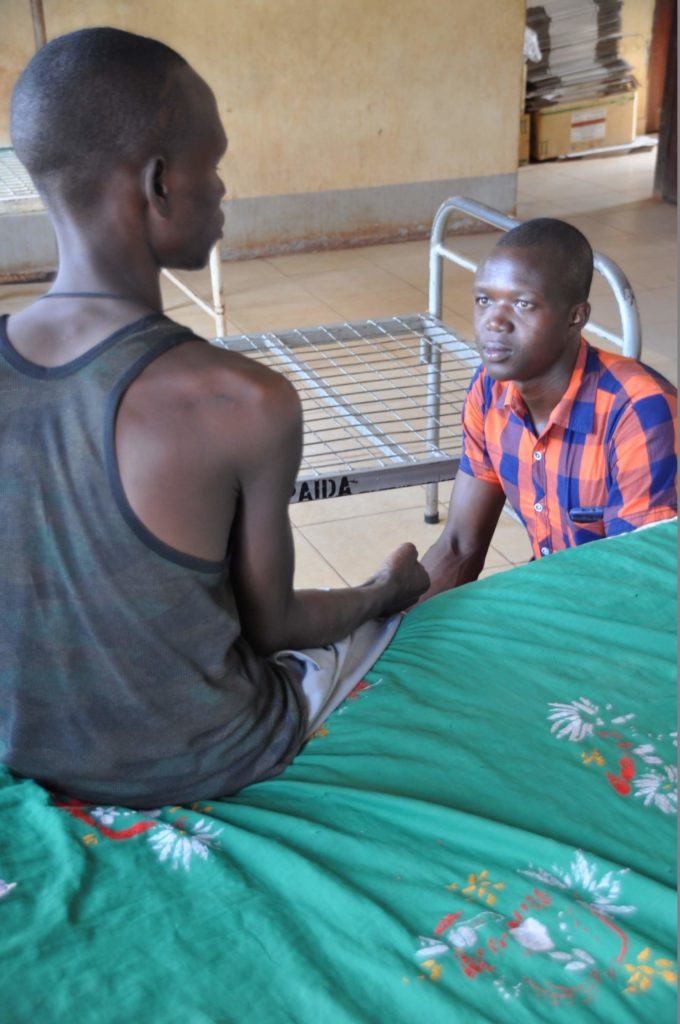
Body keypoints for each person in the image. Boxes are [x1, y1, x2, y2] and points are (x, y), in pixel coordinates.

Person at [0, 28, 429, 809]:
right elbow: (273, 628)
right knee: (411, 633)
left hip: (29, 754)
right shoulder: (242, 400)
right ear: (159, 184)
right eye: (214, 163)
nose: (224, 189)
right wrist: (381, 590)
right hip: (207, 760)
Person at [420, 217, 677, 601]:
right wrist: (391, 624)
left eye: (523, 304)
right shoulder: (490, 391)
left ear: (577, 316)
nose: (494, 321)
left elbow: (639, 593)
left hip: (625, 617)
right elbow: (459, 546)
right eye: (484, 300)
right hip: (556, 599)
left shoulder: (638, 412)